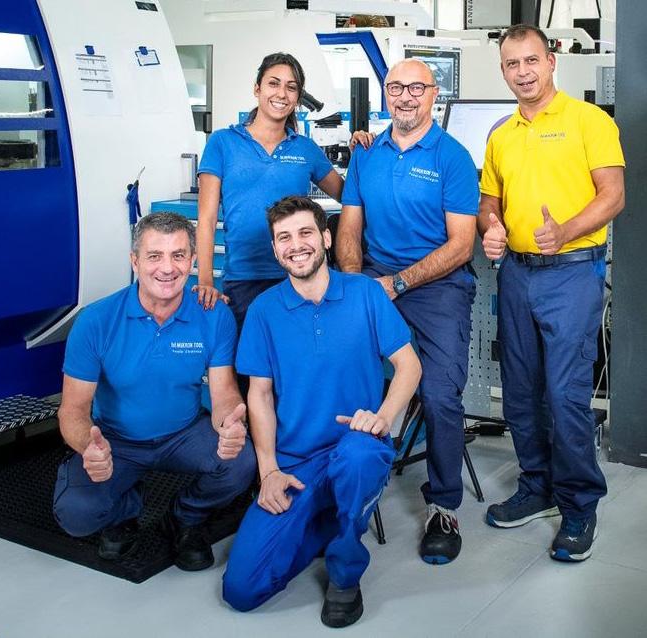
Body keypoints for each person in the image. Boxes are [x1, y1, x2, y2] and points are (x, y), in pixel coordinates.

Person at [222, 196, 421, 628]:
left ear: (326, 238)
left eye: (305, 233)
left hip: (356, 446)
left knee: (359, 456)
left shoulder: (365, 293)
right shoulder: (263, 311)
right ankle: (328, 519)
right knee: (241, 589)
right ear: (275, 249)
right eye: (284, 238)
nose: (296, 245)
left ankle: (345, 572)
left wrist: (383, 418)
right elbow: (259, 396)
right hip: (297, 463)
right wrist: (269, 471)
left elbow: (409, 365)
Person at [478, 24, 625, 562]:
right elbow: (489, 202)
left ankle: (579, 504)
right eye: (512, 64)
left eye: (531, 60)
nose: (523, 72)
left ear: (551, 61)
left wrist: (565, 230)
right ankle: (537, 487)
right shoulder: (501, 133)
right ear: (503, 71)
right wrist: (491, 228)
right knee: (520, 392)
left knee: (565, 396)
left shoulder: (590, 121)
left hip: (572, 273)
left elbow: (613, 195)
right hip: (516, 274)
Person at [53, 212, 256, 570]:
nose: (167, 268)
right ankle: (126, 508)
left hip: (183, 434)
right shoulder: (96, 321)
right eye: (154, 256)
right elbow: (72, 409)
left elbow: (224, 393)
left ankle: (184, 516)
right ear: (135, 261)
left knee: (241, 463)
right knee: (76, 514)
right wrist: (88, 446)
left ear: (192, 260)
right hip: (116, 440)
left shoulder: (214, 315)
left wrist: (230, 425)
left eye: (178, 255)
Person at [336, 58, 479, 565]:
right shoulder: (366, 153)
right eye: (395, 87)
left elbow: (461, 245)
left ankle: (443, 506)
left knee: (439, 393)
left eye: (416, 88)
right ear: (385, 93)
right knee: (341, 375)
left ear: (434, 94)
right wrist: (355, 284)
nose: (405, 97)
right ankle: (342, 487)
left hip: (438, 287)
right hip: (374, 280)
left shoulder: (452, 156)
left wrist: (398, 284)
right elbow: (349, 228)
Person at [196, 52, 344, 331]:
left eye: (291, 87)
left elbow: (349, 196)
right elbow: (206, 219)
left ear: (297, 97)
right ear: (257, 89)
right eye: (273, 83)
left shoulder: (305, 148)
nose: (281, 94)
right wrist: (206, 280)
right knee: (248, 357)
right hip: (243, 280)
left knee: (296, 357)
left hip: (299, 278)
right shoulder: (222, 143)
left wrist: (365, 153)